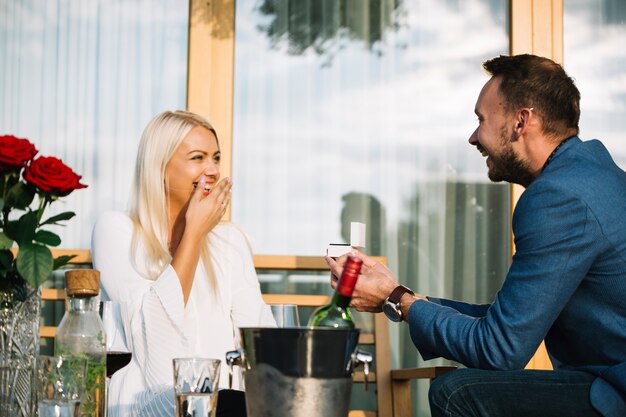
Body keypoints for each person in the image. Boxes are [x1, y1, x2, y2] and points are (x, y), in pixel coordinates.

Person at [326, 54, 626, 417]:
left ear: (521, 120)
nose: (473, 137)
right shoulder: (594, 178)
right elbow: (510, 322)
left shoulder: (558, 197)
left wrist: (397, 298)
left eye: (481, 120)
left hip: (615, 392)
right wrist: (404, 297)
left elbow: (500, 349)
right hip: (608, 380)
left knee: (458, 393)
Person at [92, 110, 275, 417]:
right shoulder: (116, 230)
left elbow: (258, 340)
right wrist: (193, 233)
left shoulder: (230, 240)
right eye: (198, 158)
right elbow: (156, 350)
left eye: (215, 158)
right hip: (147, 404)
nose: (213, 170)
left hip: (224, 405)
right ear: (161, 167)